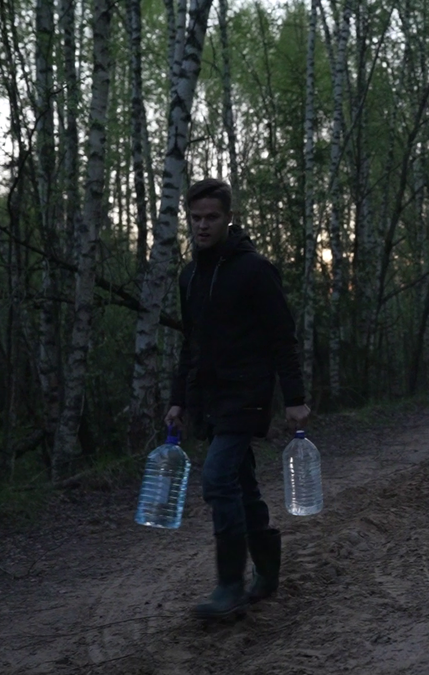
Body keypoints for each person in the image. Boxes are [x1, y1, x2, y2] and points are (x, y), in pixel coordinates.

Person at [164, 178, 311, 620]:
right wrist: (178, 400)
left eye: (211, 217)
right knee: (242, 487)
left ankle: (229, 587)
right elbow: (189, 346)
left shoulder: (254, 271)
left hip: (246, 395)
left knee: (216, 479)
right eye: (195, 218)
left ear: (229, 218)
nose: (202, 226)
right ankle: (266, 573)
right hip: (209, 398)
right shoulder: (188, 276)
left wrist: (295, 399)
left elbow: (282, 338)